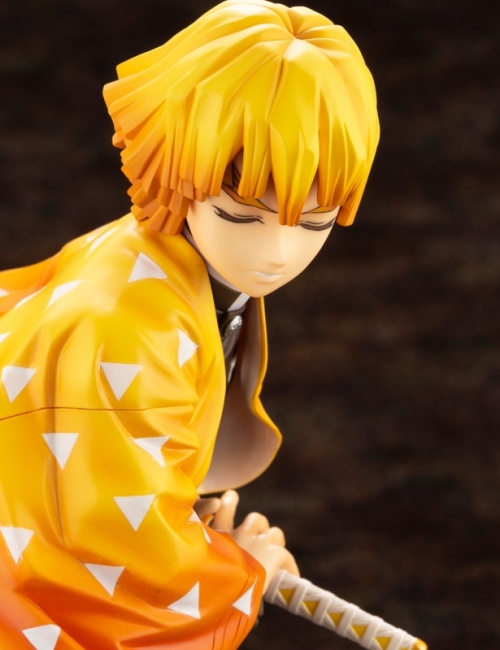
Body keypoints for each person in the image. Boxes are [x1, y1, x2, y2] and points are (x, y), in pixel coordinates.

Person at [0, 1, 379, 648]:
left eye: (314, 222)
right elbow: (112, 548)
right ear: (177, 173)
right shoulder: (121, 324)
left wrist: (180, 509)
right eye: (240, 215)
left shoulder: (165, 265)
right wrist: (239, 574)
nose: (277, 253)